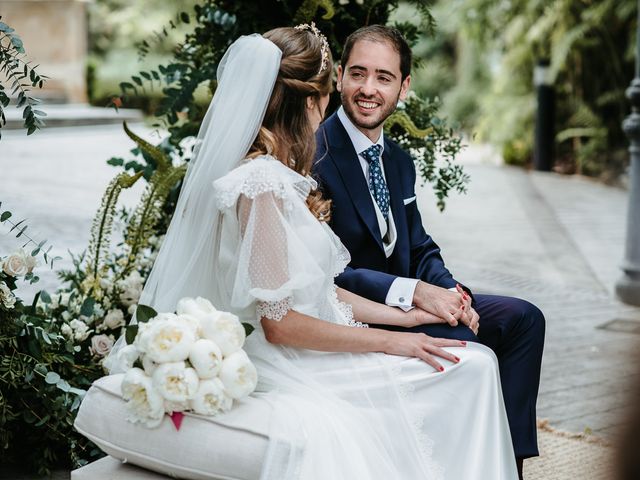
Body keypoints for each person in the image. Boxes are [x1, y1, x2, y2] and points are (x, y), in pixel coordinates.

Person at [117, 25, 518, 479]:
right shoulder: (261, 183)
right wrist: (395, 343)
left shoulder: (279, 175)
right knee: (474, 367)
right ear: (312, 101)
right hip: (292, 361)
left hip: (318, 337)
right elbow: (279, 324)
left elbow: (317, 291)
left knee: (476, 363)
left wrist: (404, 317)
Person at [313, 25, 545, 478]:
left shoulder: (397, 160)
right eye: (358, 74)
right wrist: (419, 293)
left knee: (523, 319)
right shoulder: (315, 153)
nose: (368, 89)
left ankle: (507, 465)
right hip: (355, 311)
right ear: (339, 76)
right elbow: (328, 272)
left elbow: (419, 245)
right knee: (467, 348)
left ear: (404, 87)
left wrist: (448, 290)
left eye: (383, 77)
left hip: (415, 297)